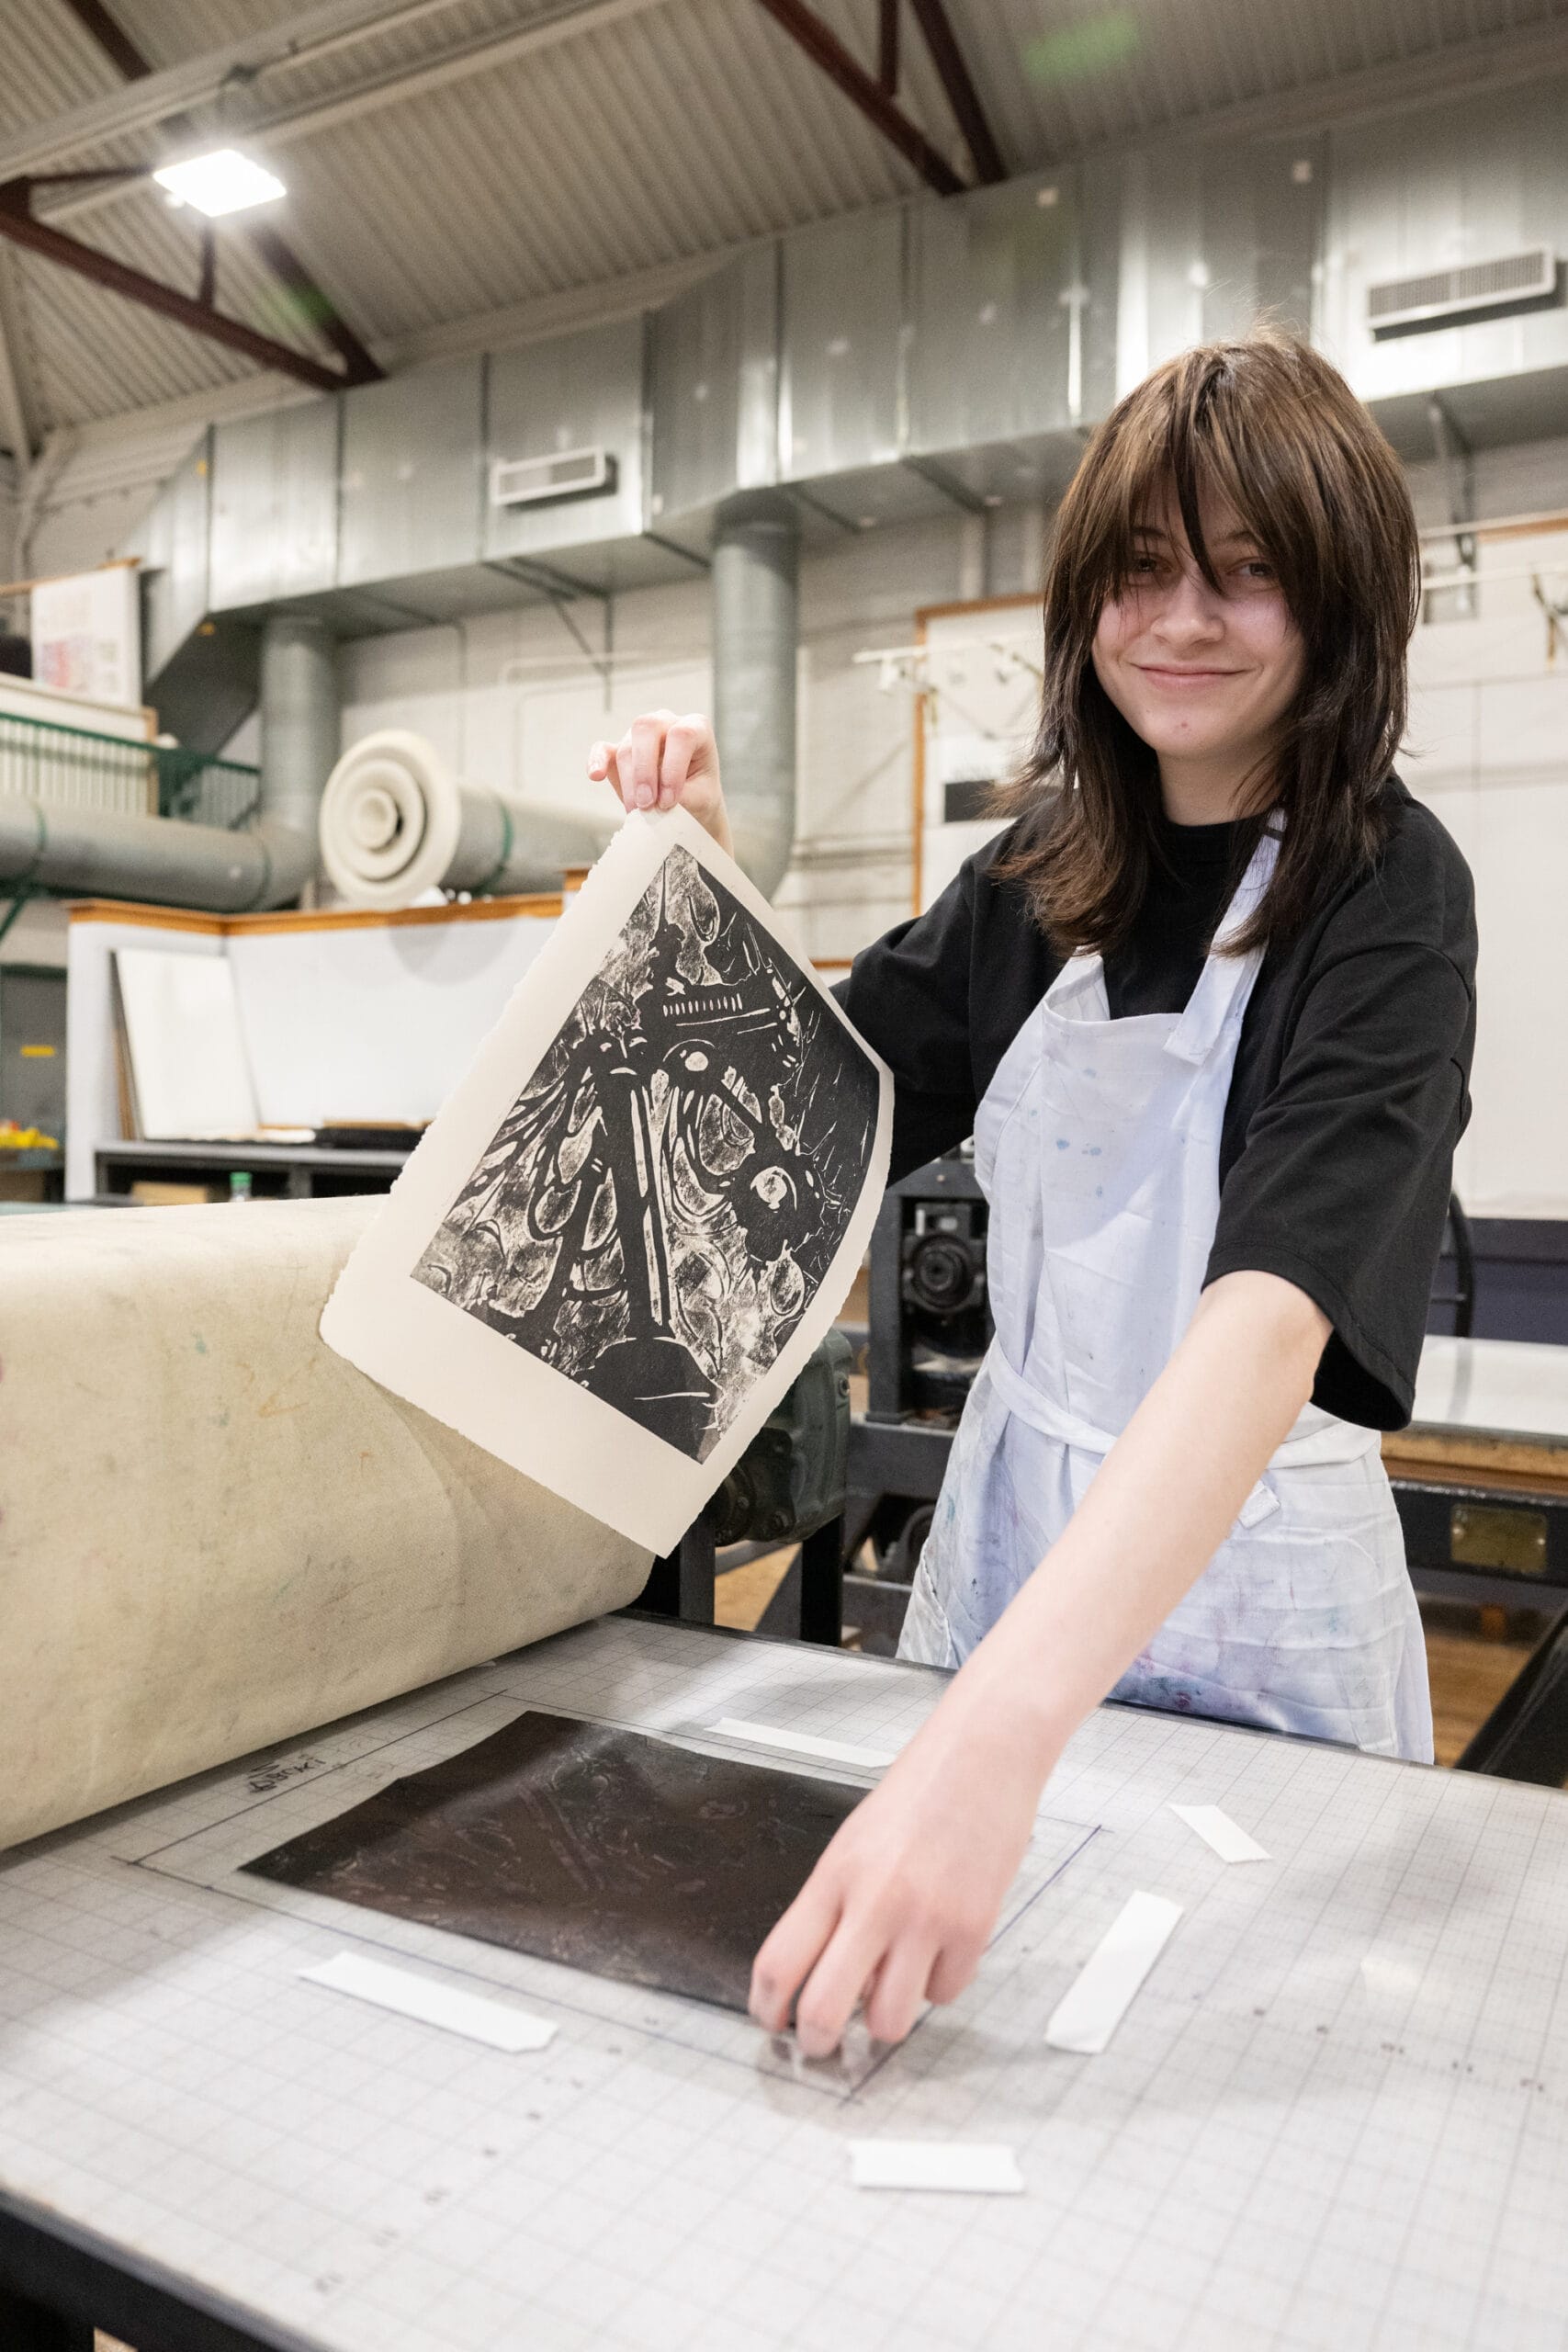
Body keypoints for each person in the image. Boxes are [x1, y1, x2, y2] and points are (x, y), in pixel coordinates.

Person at [587, 331, 1477, 2060]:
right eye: (1140, 572)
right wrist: (706, 870)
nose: (1180, 622)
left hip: (1253, 1573)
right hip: (1017, 1540)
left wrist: (984, 1746)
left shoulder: (1389, 893)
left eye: (1248, 575)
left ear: (1339, 604)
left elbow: (1269, 1317)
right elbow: (806, 1107)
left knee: (1236, 2031)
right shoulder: (1039, 876)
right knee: (989, 2048)